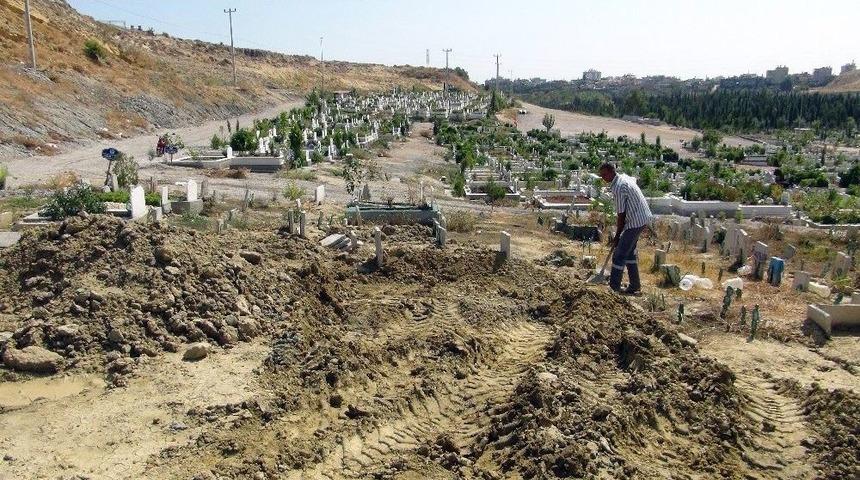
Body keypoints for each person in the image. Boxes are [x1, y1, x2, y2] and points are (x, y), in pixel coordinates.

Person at [598, 163, 653, 294]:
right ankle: (635, 285)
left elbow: (621, 215)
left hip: (635, 221)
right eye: (602, 175)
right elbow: (634, 180)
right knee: (629, 253)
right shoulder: (624, 177)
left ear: (612, 172)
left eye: (605, 174)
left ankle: (614, 288)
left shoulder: (618, 187)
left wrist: (617, 237)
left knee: (619, 255)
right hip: (642, 217)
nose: (603, 178)